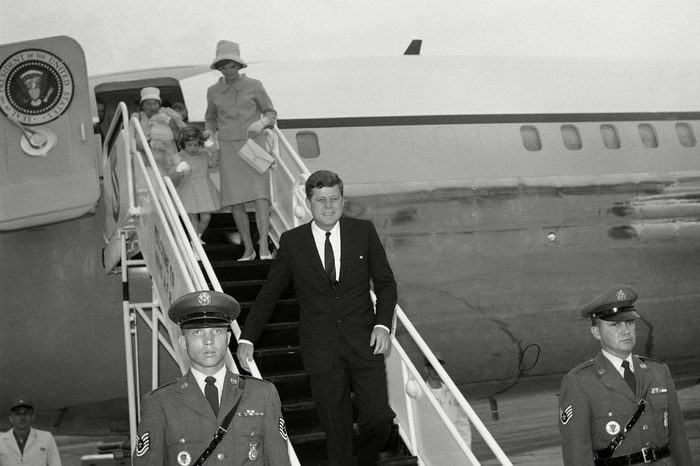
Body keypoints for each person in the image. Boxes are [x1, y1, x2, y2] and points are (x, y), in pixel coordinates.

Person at [237, 170, 397, 466]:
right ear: (308, 201)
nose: (327, 205)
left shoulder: (363, 232)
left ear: (342, 200)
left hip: (365, 342)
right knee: (336, 432)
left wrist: (382, 324)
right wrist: (247, 337)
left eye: (334, 199)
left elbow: (386, 284)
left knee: (379, 419)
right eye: (320, 199)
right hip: (321, 349)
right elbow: (269, 294)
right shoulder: (293, 241)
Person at [133, 290, 291, 465]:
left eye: (217, 331)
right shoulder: (159, 404)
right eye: (197, 332)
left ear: (228, 338)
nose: (209, 340)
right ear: (183, 342)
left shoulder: (262, 395)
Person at [559, 285, 694, 466]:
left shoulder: (659, 372)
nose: (625, 331)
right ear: (596, 332)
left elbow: (679, 442)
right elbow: (577, 457)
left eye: (629, 322)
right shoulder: (580, 382)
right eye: (614, 325)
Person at [203, 40, 277, 261]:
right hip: (228, 148)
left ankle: (263, 246)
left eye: (232, 66)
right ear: (219, 69)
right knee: (235, 201)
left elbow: (271, 112)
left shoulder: (255, 85)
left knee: (261, 196)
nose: (229, 71)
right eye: (224, 67)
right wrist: (208, 134)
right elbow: (210, 119)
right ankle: (248, 248)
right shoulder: (213, 91)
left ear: (239, 66)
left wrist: (262, 123)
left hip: (254, 145)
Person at [168, 126, 221, 244]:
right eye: (189, 145)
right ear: (183, 144)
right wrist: (178, 169)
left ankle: (196, 237)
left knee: (206, 217)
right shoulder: (178, 157)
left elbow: (214, 162)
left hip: (203, 191)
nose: (193, 148)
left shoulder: (203, 155)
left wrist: (211, 145)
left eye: (196, 145)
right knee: (193, 219)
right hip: (188, 192)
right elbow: (172, 175)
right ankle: (195, 241)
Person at [424, 352, 472, 449]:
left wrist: (467, 449)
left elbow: (462, 422)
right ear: (426, 369)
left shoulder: (453, 393)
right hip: (434, 449)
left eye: (439, 365)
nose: (435, 369)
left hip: (453, 448)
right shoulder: (421, 395)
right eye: (432, 365)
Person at [132, 87, 181, 174]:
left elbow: (181, 133)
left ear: (159, 105)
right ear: (142, 105)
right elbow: (133, 140)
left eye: (155, 103)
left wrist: (170, 122)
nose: (152, 107)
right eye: (148, 104)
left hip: (170, 158)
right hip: (149, 160)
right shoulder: (137, 117)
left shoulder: (167, 113)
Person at [0, 397, 61, 466]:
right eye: (17, 414)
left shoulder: (46, 438)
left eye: (26, 413)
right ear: (11, 418)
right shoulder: (1, 441)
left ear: (32, 417)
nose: (22, 417)